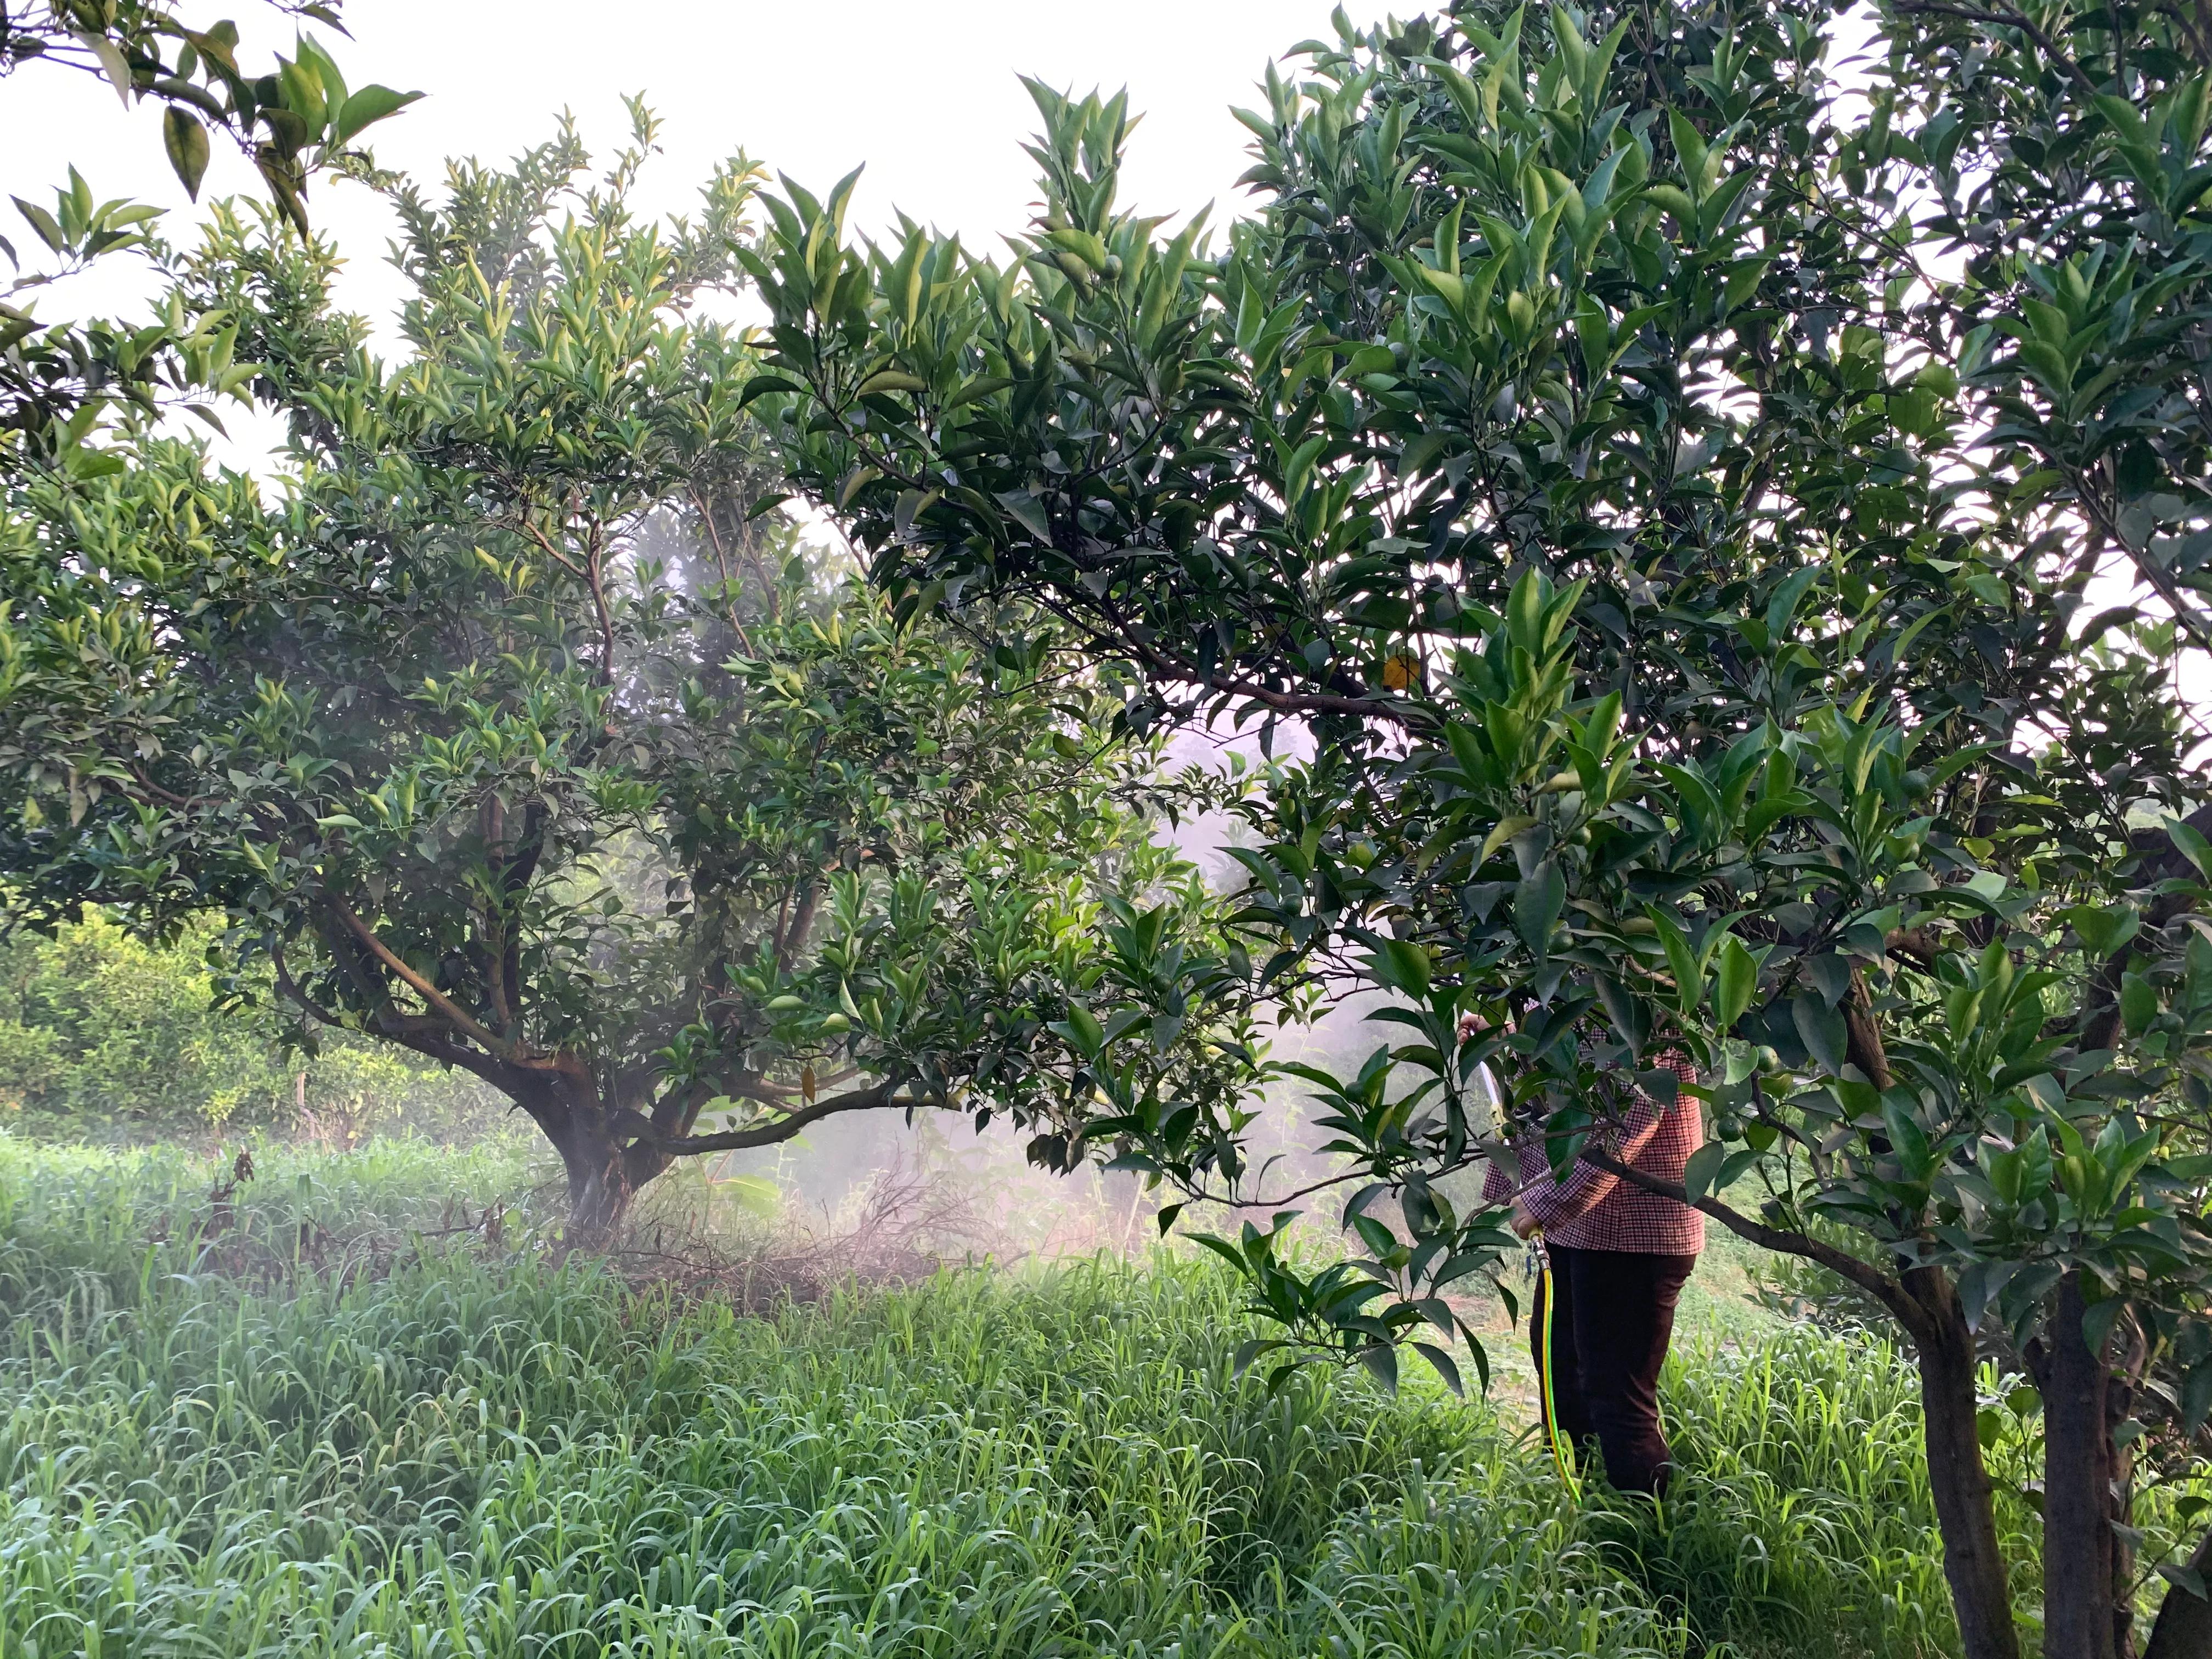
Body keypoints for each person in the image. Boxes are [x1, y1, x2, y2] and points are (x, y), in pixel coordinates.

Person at [1475, 1036, 1704, 1498]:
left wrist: (1546, 1202)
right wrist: (1506, 1039)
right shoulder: (1551, 986)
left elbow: (1627, 1119)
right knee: (1562, 1383)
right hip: (1576, 1229)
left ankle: (1646, 1546)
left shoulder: (1627, 991)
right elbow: (1552, 1092)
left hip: (1633, 1232)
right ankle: (1578, 1523)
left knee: (1616, 1403)